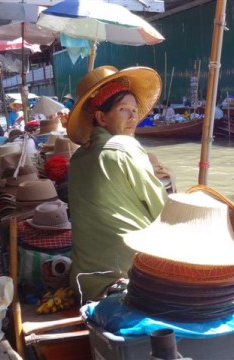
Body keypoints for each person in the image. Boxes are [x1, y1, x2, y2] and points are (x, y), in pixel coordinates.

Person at [67, 65, 168, 302]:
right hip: (131, 280)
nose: (134, 117)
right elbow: (164, 213)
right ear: (101, 117)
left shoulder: (77, 159)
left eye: (134, 110)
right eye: (124, 110)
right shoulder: (126, 147)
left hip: (83, 283)